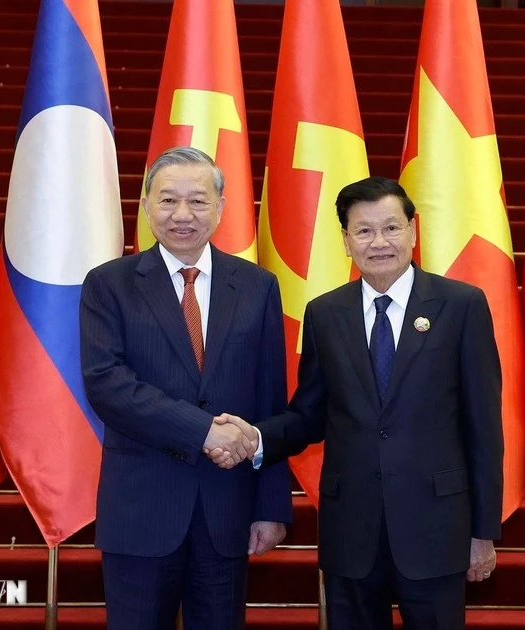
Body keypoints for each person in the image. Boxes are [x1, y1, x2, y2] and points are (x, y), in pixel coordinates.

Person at [209, 176, 504, 630]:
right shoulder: (326, 314)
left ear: (413, 231)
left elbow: (484, 427)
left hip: (437, 528)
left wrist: (482, 531)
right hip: (352, 530)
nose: (379, 242)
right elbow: (309, 414)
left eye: (391, 227)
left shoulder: (461, 306)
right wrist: (256, 437)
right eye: (363, 231)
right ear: (346, 241)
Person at [80, 146, 292, 630]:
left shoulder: (258, 286)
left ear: (220, 206)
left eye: (197, 201)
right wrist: (202, 431)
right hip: (141, 511)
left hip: (228, 511)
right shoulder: (108, 284)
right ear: (146, 205)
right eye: (168, 200)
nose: (182, 214)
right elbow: (107, 384)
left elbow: (269, 399)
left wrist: (270, 505)